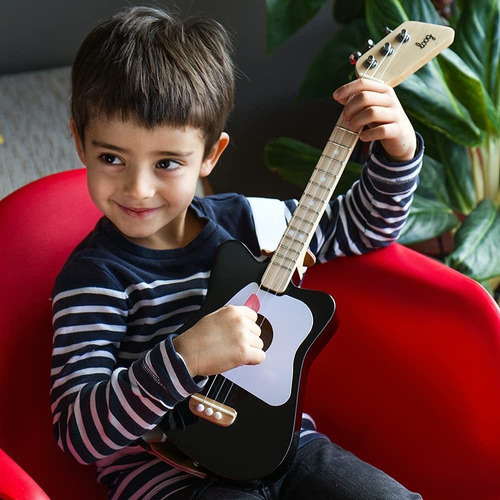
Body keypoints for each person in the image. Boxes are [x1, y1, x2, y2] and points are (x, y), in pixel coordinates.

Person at [50, 6, 424, 499]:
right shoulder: (94, 278)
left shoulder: (248, 221)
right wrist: (186, 356)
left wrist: (397, 150)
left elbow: (359, 228)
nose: (138, 189)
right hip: (167, 476)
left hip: (285, 447)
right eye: (112, 158)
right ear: (79, 141)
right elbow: (79, 434)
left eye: (166, 163)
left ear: (210, 155)